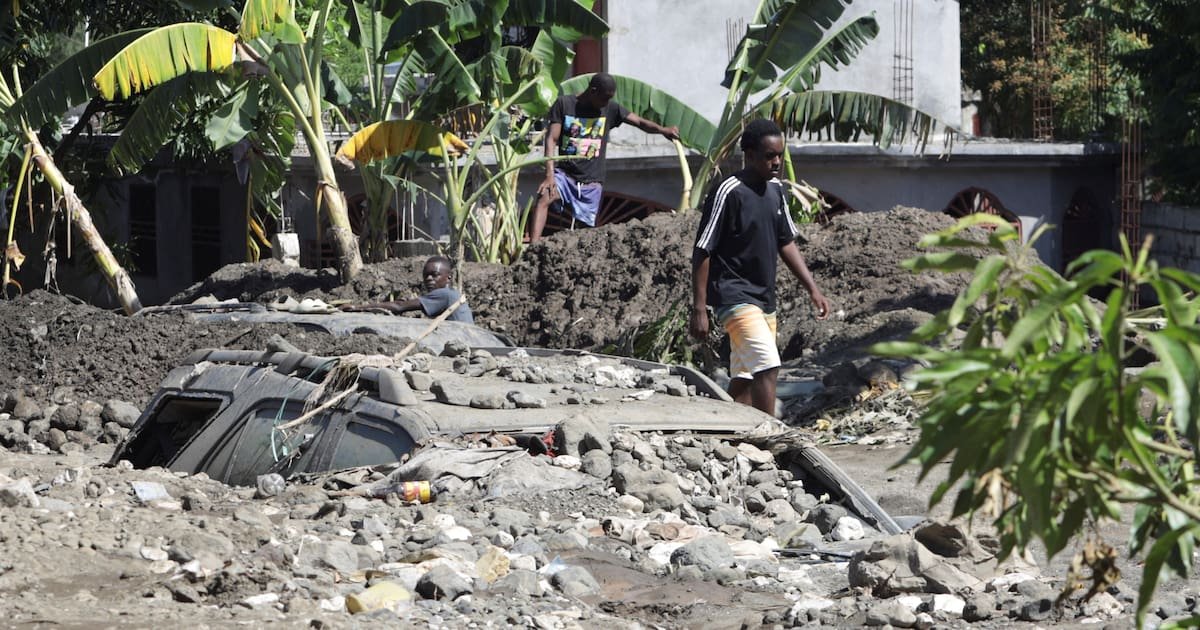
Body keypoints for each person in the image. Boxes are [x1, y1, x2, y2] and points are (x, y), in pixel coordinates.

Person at [688, 119, 831, 416]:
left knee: (743, 378)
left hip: (765, 298)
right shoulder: (729, 191)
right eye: (769, 156)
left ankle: (728, 435)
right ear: (749, 154)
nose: (776, 162)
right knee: (768, 365)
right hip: (734, 295)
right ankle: (770, 439)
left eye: (779, 155)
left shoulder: (776, 191)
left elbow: (786, 242)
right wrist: (699, 308)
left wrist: (813, 289)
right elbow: (703, 249)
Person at [528, 72, 681, 242]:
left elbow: (640, 122)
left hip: (592, 181)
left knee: (585, 230)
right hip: (565, 174)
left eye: (609, 98)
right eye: (604, 98)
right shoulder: (565, 104)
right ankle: (533, 248)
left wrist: (662, 130)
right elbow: (551, 139)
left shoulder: (611, 109)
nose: (606, 103)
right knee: (544, 197)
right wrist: (549, 175)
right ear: (593, 91)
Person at [343, 255, 474, 323]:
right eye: (426, 275)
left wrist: (358, 308)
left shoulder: (444, 294)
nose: (428, 279)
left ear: (449, 277)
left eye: (434, 275)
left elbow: (400, 306)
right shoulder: (453, 294)